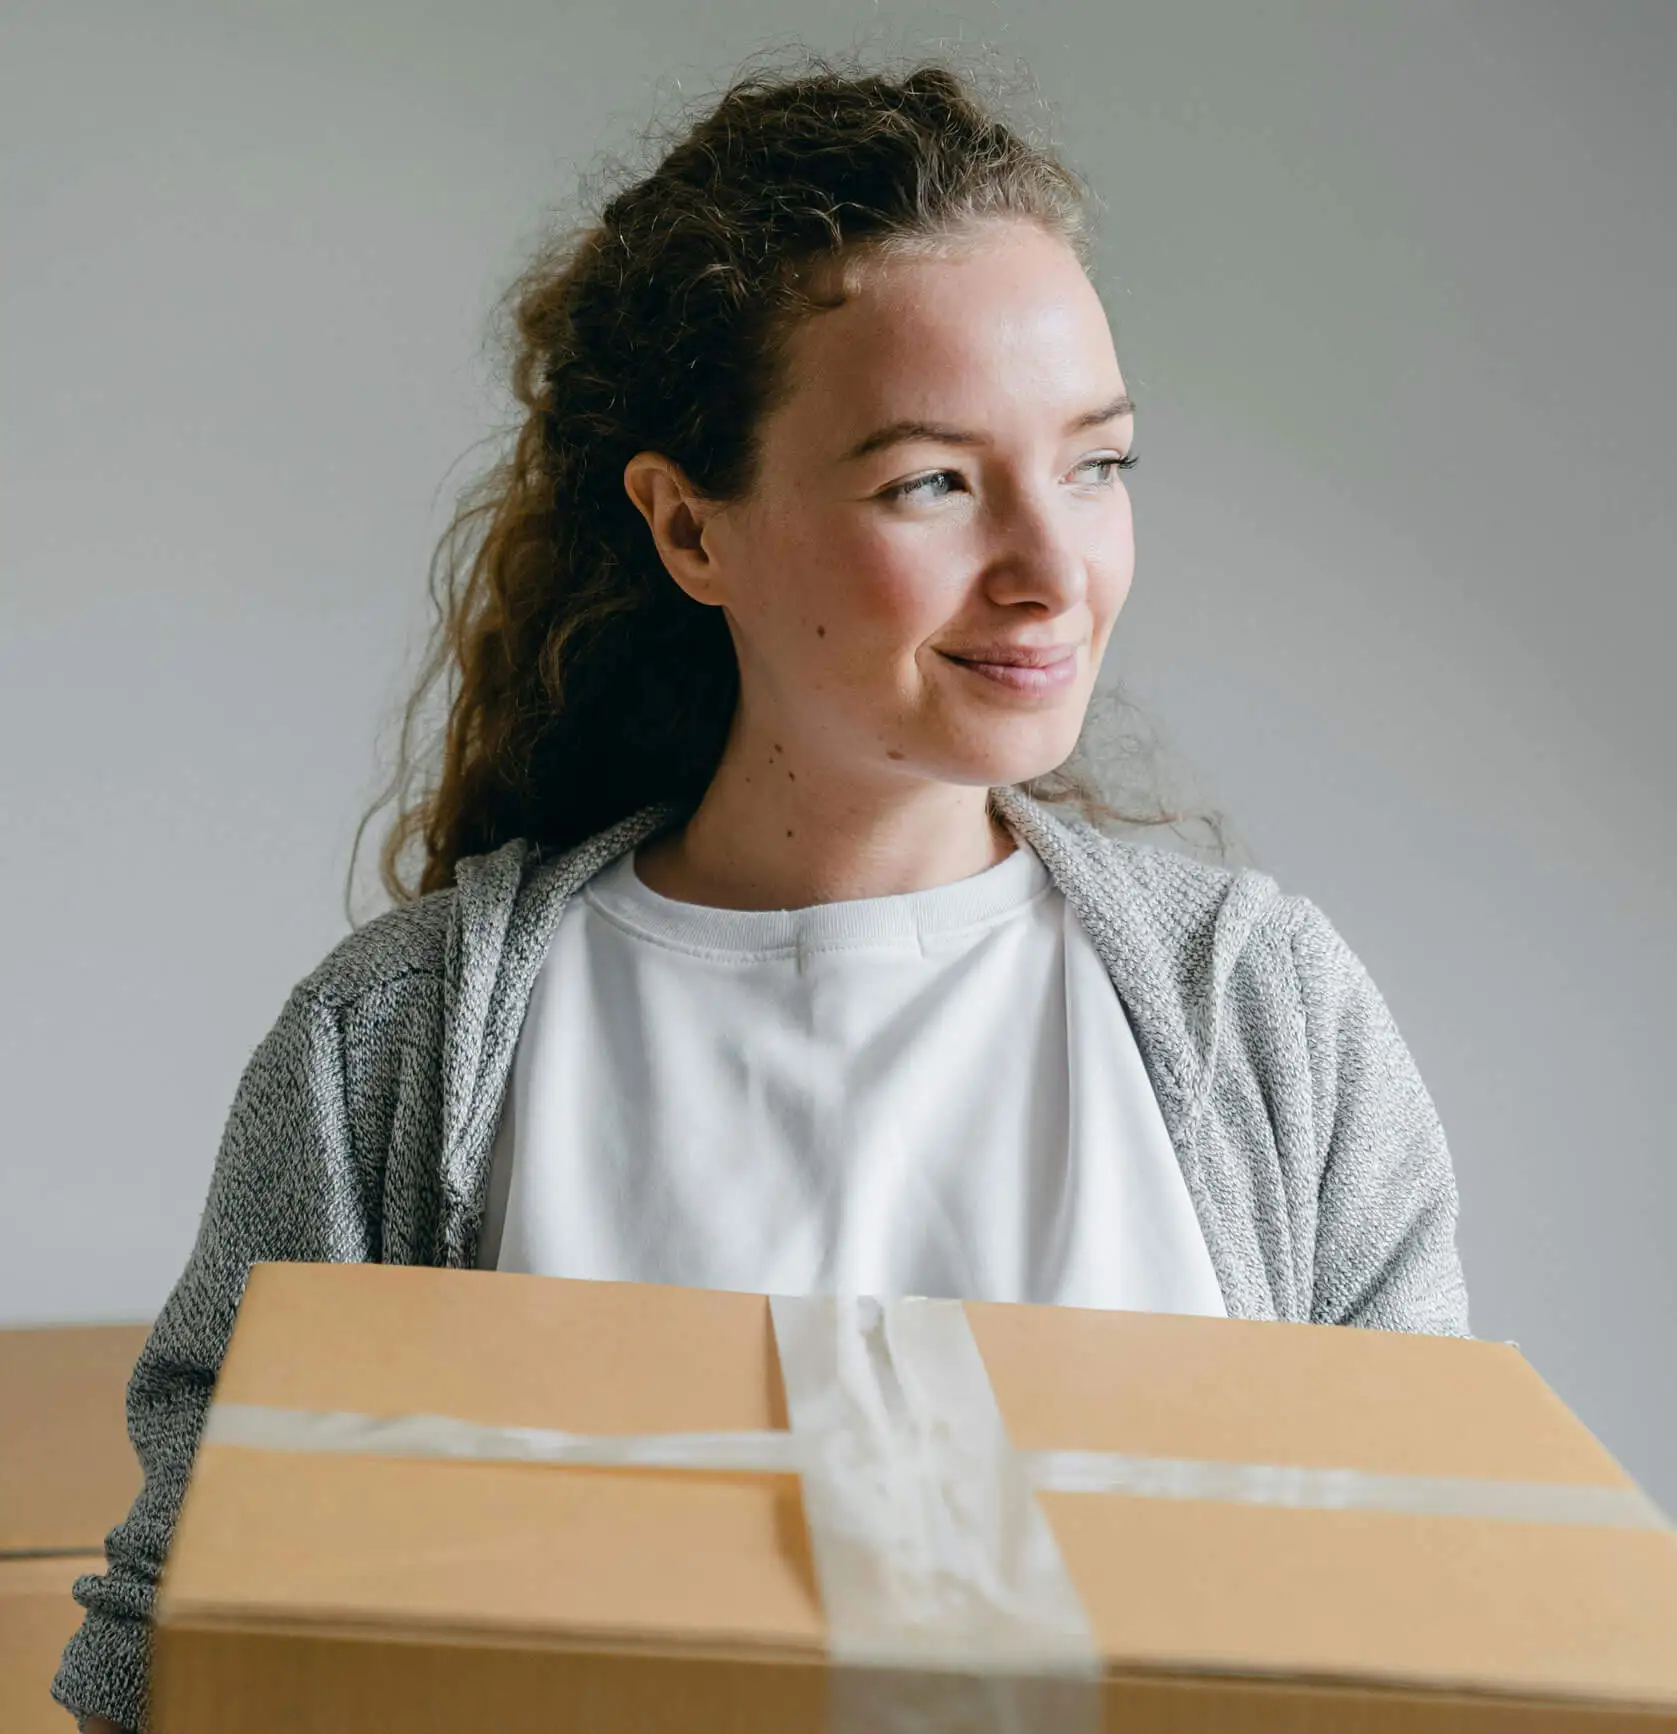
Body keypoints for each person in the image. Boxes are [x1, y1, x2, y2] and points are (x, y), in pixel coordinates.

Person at [58, 51, 1469, 1733]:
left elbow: (1436, 1620)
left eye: (1098, 464)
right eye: (931, 481)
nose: (1050, 568)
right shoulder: (400, 1049)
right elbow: (178, 1654)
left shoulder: (1265, 1022)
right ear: (690, 528)